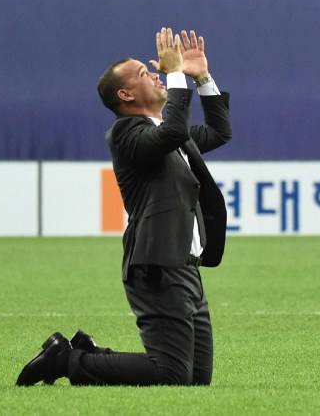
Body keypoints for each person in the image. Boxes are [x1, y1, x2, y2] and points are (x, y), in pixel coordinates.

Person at [16, 27, 232, 387]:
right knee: (172, 374)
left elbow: (220, 132)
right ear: (125, 94)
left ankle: (87, 351)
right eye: (147, 73)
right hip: (157, 264)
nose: (159, 73)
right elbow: (175, 132)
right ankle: (68, 360)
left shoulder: (163, 130)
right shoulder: (127, 133)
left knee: (196, 378)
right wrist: (176, 74)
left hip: (185, 265)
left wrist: (202, 77)